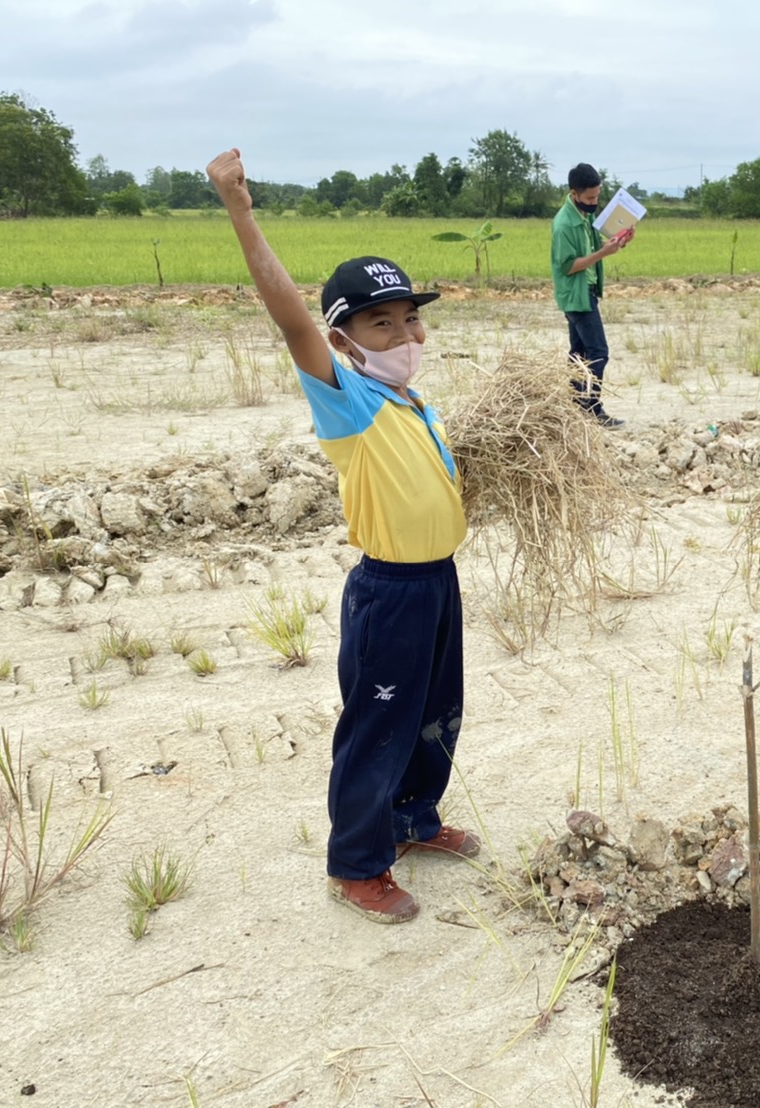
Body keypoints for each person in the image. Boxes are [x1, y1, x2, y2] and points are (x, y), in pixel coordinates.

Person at [207, 148, 480, 925]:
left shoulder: (411, 402)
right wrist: (240, 211)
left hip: (437, 581)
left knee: (437, 709)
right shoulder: (347, 397)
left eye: (409, 318)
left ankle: (413, 821)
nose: (403, 332)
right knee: (379, 723)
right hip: (390, 589)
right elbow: (290, 316)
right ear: (345, 338)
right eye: (381, 323)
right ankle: (358, 865)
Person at [551, 162, 632, 428]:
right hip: (577, 295)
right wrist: (602, 254)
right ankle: (593, 410)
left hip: (586, 292)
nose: (594, 202)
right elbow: (569, 266)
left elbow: (594, 248)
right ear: (574, 193)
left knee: (579, 353)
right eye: (589, 198)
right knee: (599, 352)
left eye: (597, 197)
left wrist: (617, 242)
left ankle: (574, 407)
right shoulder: (564, 224)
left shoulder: (584, 218)